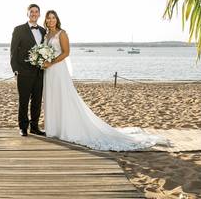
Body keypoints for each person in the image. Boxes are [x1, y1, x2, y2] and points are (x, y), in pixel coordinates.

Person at [42, 10, 168, 151]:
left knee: (64, 98)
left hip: (58, 70)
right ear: (46, 20)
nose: (51, 20)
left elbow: (66, 52)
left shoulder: (62, 33)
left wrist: (51, 62)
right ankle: (54, 129)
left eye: (53, 18)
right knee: (52, 98)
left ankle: (65, 129)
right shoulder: (46, 35)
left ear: (57, 19)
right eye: (49, 18)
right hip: (48, 72)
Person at [10, 4, 47, 136]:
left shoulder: (43, 31)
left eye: (36, 11)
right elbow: (13, 51)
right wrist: (15, 69)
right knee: (24, 100)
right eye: (31, 11)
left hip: (39, 71)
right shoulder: (19, 29)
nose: (34, 14)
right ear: (27, 13)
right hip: (24, 71)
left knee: (37, 101)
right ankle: (23, 127)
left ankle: (34, 127)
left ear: (39, 14)